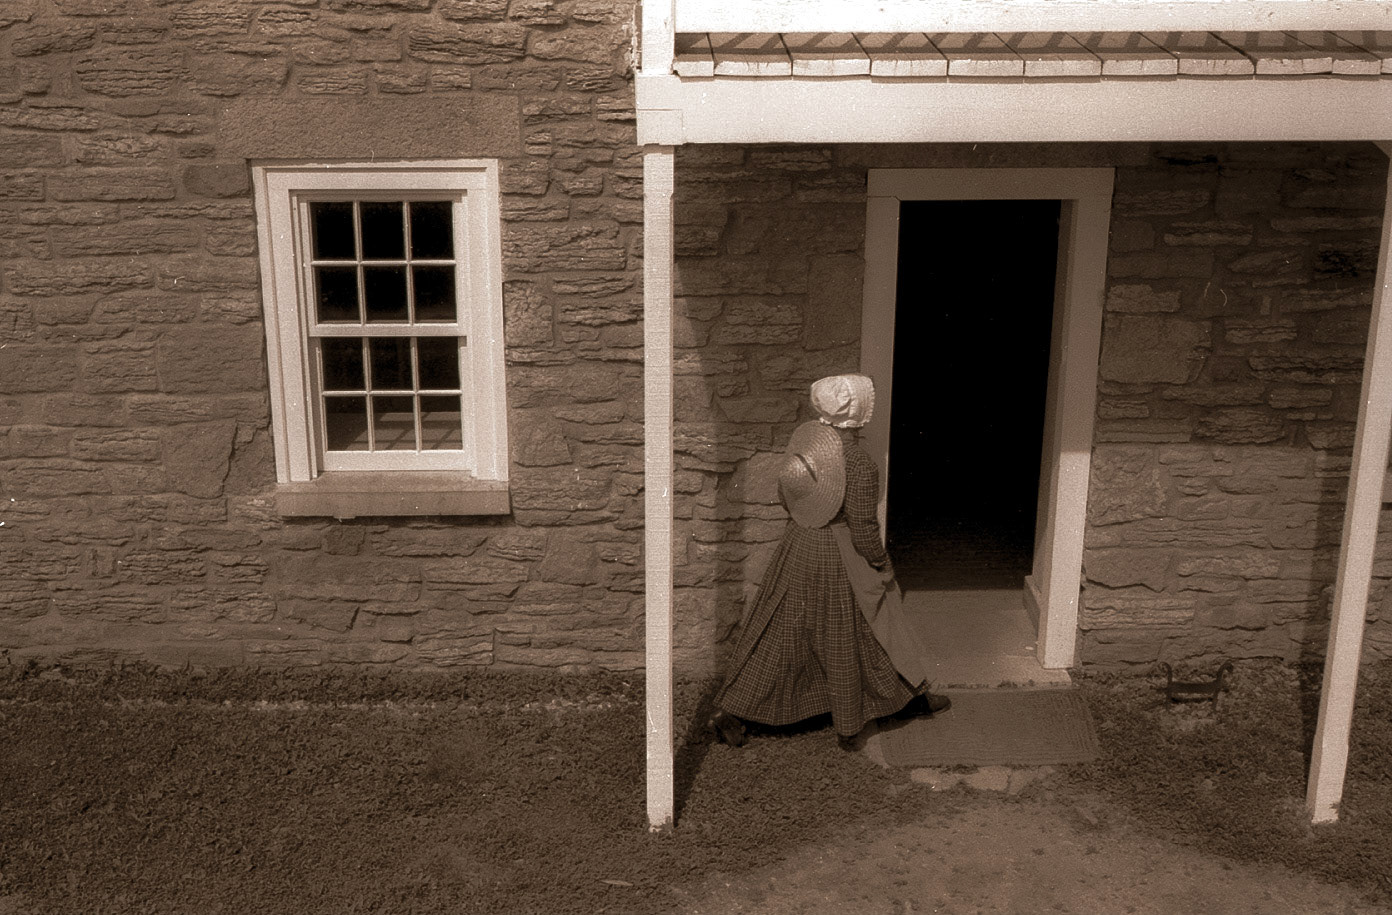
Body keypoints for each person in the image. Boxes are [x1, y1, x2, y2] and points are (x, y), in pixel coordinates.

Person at [709, 373, 949, 751]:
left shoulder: (805, 445)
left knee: (782, 629)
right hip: (839, 553)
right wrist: (881, 562)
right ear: (860, 411)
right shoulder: (857, 463)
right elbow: (864, 528)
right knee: (871, 624)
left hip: (800, 543)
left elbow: (786, 496)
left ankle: (732, 711)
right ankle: (881, 708)